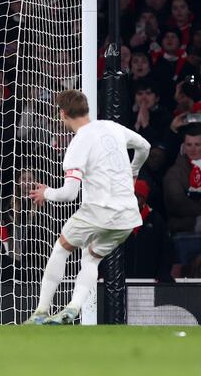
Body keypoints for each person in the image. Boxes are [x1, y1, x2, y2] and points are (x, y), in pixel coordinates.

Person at [26, 89, 150, 324]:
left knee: (61, 249)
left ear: (62, 114)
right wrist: (133, 172)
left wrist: (46, 193)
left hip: (98, 211)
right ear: (86, 109)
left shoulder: (77, 144)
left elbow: (69, 194)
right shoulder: (112, 127)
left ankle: (40, 312)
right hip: (128, 216)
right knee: (91, 258)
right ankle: (73, 308)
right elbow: (144, 146)